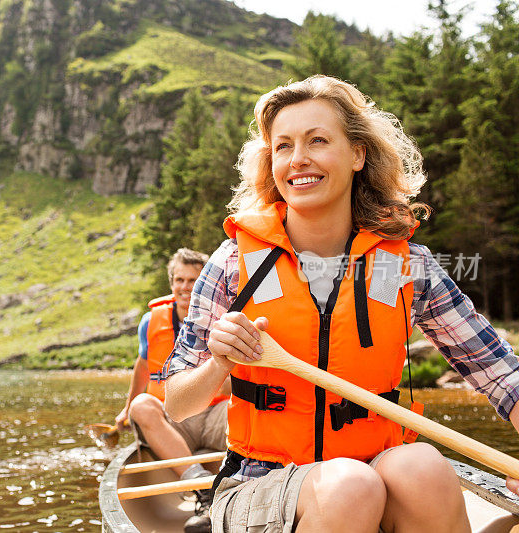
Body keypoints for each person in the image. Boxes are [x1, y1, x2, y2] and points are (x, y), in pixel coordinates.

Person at [163, 75, 519, 532]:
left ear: (357, 154)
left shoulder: (403, 265)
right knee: (350, 485)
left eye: (317, 141)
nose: (298, 159)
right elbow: (176, 403)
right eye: (283, 146)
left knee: (422, 467)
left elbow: (500, 372)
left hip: (376, 466)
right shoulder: (234, 263)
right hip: (260, 481)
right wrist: (216, 365)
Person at [116, 247, 230, 533]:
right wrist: (126, 408)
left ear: (206, 281)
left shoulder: (226, 315)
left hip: (218, 414)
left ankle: (232, 483)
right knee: (141, 406)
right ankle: (203, 486)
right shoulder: (150, 321)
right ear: (171, 283)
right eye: (179, 280)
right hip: (176, 419)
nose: (185, 287)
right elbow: (143, 365)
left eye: (193, 280)